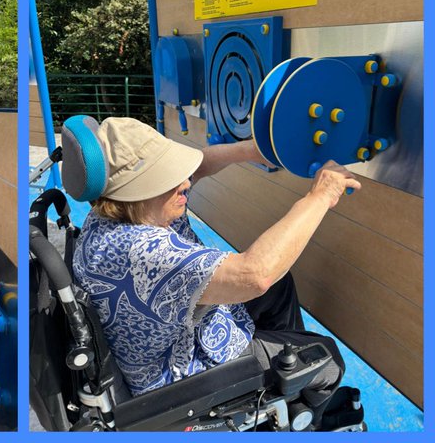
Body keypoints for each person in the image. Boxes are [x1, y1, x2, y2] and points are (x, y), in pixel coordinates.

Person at [72, 117, 355, 426]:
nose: (186, 183)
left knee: (280, 286)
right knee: (324, 356)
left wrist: (254, 150)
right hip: (184, 376)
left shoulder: (119, 207)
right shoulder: (144, 252)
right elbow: (255, 274)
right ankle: (309, 421)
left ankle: (289, 389)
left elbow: (198, 167)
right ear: (140, 190)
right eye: (168, 177)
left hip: (176, 329)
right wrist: (322, 195)